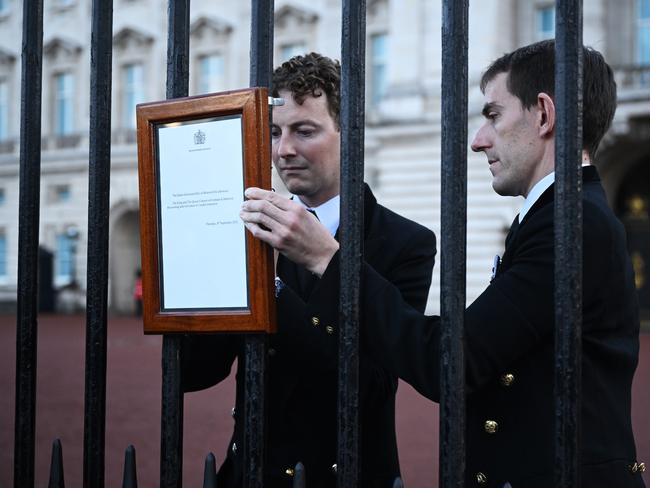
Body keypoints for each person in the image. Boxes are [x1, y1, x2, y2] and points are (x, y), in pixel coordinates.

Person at [248, 41, 646, 487]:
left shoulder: (572, 221)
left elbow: (453, 362)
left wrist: (326, 258)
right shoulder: (560, 214)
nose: (478, 139)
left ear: (544, 115)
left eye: (493, 115)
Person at [183, 52, 436, 487]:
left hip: (343, 474)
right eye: (275, 132)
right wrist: (188, 277)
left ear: (349, 135)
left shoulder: (406, 242)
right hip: (249, 472)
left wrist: (273, 288)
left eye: (305, 131)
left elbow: (369, 386)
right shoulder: (243, 227)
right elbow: (194, 373)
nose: (284, 150)